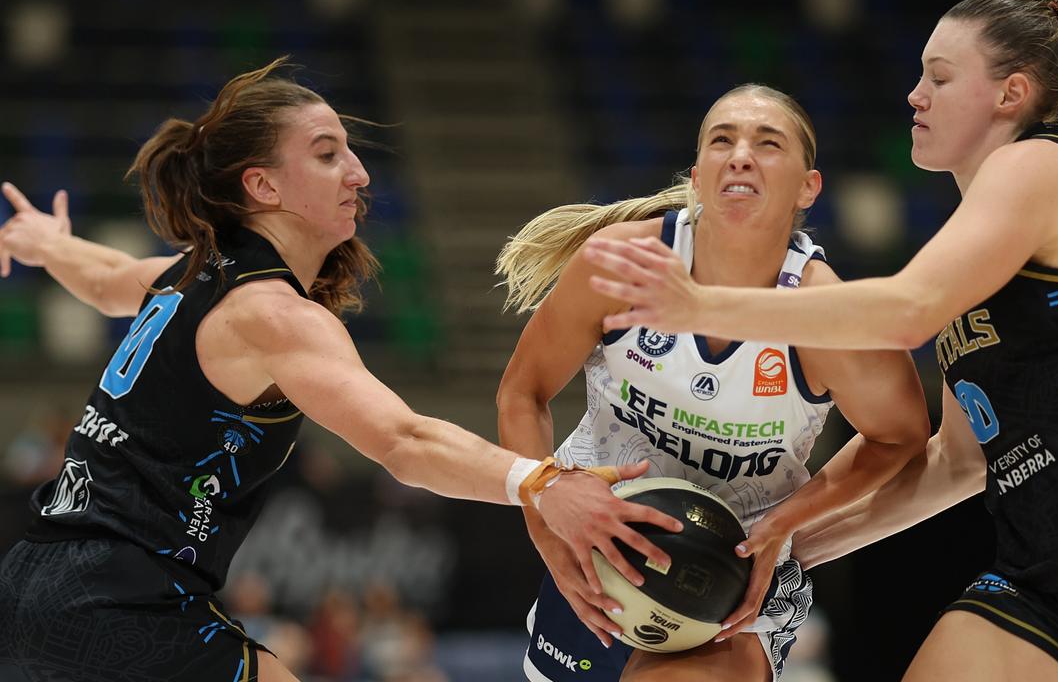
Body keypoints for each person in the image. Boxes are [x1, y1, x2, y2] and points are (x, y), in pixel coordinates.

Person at [582, 0, 1058, 682]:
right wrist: (778, 546)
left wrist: (701, 307)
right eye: (919, 74)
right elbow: (957, 462)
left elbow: (907, 311)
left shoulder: (1041, 165)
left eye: (939, 77)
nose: (915, 95)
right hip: (1046, 572)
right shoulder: (968, 247)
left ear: (1010, 95)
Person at [0, 59, 682, 682]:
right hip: (115, 602)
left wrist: (48, 246)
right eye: (327, 155)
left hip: (33, 582)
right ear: (262, 185)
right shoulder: (272, 315)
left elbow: (107, 279)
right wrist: (539, 481)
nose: (358, 173)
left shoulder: (190, 274)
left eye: (351, 152)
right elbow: (404, 443)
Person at [495, 83, 936, 682]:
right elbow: (523, 393)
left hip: (731, 578)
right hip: (598, 549)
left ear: (809, 187)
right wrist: (546, 523)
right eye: (721, 140)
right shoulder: (619, 264)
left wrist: (786, 522)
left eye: (768, 142)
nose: (741, 154)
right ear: (698, 176)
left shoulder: (828, 313)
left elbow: (900, 436)